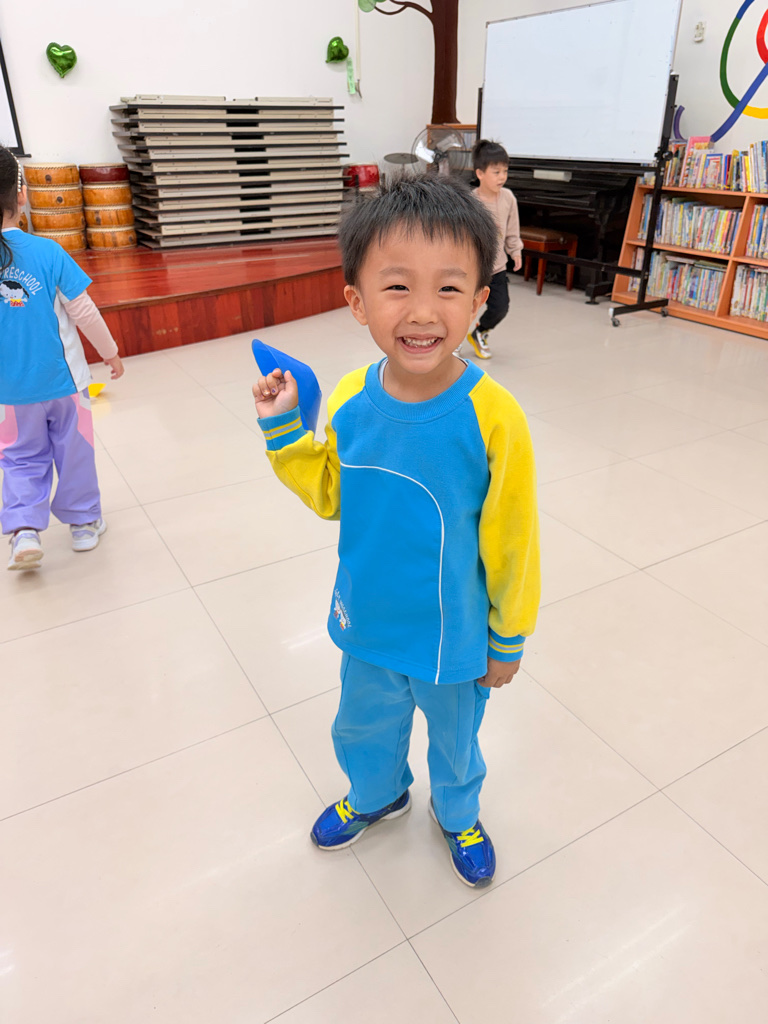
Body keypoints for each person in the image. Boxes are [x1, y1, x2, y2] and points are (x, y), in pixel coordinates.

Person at [252, 176, 540, 888]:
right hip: (370, 619)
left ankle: (458, 813)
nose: (422, 312)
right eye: (397, 287)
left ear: (479, 301)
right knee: (362, 724)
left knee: (456, 742)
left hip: (454, 634)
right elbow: (332, 496)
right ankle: (376, 794)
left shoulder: (495, 417)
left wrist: (508, 636)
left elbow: (514, 540)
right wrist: (285, 431)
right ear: (357, 302)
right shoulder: (352, 397)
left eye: (449, 288)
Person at [0, 146, 124, 570]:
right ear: (21, 195)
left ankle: (24, 531)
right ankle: (84, 524)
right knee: (75, 450)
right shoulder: (49, 252)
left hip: (10, 392)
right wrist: (110, 353)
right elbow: (84, 312)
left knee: (19, 457)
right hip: (65, 383)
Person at [462, 139, 523, 360]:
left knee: (500, 307)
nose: (502, 177)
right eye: (496, 172)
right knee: (463, 307)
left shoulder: (508, 198)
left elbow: (512, 229)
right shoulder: (470, 201)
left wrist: (515, 251)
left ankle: (480, 332)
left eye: (505, 171)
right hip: (472, 268)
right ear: (480, 173)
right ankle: (454, 339)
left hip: (497, 267)